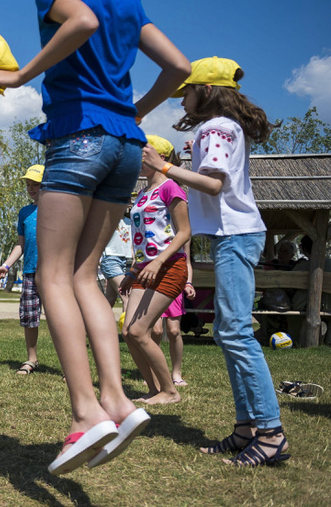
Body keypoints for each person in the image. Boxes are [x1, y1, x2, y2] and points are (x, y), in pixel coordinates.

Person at [0, 0, 191, 474]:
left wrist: (19, 76)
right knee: (83, 275)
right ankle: (119, 402)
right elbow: (179, 67)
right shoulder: (128, 0)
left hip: (78, 139)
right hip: (124, 145)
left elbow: (81, 24)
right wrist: (132, 112)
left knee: (51, 274)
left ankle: (85, 413)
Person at [143, 56, 289, 467]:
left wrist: (166, 166)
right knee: (228, 331)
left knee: (237, 332)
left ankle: (271, 433)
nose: (182, 101)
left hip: (235, 236)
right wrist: (189, 160)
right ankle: (247, 429)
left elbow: (214, 184)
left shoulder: (217, 126)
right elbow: (212, 181)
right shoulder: (222, 128)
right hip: (233, 236)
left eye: (186, 92)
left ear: (205, 91)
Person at [119, 135, 191, 405]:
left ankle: (170, 391)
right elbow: (143, 238)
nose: (138, 160)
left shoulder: (172, 187)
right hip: (142, 270)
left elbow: (184, 233)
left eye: (142, 154)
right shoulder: (142, 193)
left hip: (169, 267)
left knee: (139, 331)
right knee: (128, 333)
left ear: (159, 157)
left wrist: (159, 261)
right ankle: (153, 389)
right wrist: (132, 271)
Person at [0, 165, 44, 375]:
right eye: (28, 184)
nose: (31, 188)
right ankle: (32, 359)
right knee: (30, 317)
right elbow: (20, 244)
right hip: (30, 271)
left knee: (60, 320)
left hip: (54, 274)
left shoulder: (58, 209)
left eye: (35, 184)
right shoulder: (25, 212)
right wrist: (6, 265)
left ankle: (70, 365)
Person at [150, 256, 195, 387]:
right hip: (153, 283)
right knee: (156, 331)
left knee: (174, 331)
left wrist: (188, 283)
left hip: (174, 281)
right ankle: (155, 373)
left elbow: (187, 261)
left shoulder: (181, 235)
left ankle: (176, 373)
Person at [99, 207, 133, 309]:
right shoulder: (107, 219)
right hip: (111, 259)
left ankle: (96, 324)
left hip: (126, 260)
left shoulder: (130, 222)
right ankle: (127, 325)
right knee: (127, 295)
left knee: (110, 299)